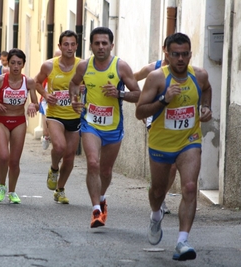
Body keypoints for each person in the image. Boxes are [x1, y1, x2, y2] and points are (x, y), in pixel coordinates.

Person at [135, 33, 212, 261]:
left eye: (185, 54)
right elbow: (140, 111)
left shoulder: (199, 75)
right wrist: (164, 100)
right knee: (158, 191)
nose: (180, 59)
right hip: (161, 143)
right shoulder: (157, 78)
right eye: (175, 54)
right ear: (166, 54)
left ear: (190, 54)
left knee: (189, 186)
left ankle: (182, 241)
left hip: (189, 140)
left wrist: (205, 108)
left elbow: (206, 89)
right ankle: (156, 214)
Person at [70, 27, 140, 227]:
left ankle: (101, 198)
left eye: (104, 43)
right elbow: (74, 84)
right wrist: (75, 100)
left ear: (111, 45)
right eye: (97, 43)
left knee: (106, 170)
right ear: (91, 45)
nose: (101, 47)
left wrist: (120, 94)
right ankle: (95, 211)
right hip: (90, 123)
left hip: (113, 126)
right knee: (93, 163)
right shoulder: (84, 66)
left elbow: (139, 93)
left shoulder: (121, 67)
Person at [34, 30, 81, 204]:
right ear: (59, 46)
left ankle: (60, 189)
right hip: (55, 114)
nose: (69, 47)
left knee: (69, 157)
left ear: (76, 45)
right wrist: (46, 95)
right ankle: (54, 168)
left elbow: (91, 86)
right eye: (66, 44)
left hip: (74, 115)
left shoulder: (82, 66)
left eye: (72, 44)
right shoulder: (49, 65)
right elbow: (36, 82)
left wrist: (83, 90)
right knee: (59, 147)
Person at [134, 35, 175, 215]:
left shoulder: (184, 71)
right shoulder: (153, 68)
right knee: (165, 160)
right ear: (164, 49)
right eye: (170, 51)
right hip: (155, 118)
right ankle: (159, 194)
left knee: (172, 166)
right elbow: (132, 79)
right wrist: (140, 104)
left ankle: (161, 195)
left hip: (175, 120)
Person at [0, 48, 38, 204]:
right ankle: (1, 186)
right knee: (3, 156)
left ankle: (12, 191)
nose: (16, 66)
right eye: (13, 63)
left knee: (14, 161)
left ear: (23, 64)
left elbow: (35, 101)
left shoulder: (29, 82)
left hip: (19, 122)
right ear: (8, 63)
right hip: (1, 121)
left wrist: (33, 106)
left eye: (19, 63)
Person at [39, 49, 62, 150]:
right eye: (55, 57)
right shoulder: (47, 68)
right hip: (46, 101)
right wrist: (45, 95)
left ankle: (57, 147)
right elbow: (37, 82)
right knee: (46, 129)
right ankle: (46, 136)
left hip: (63, 104)